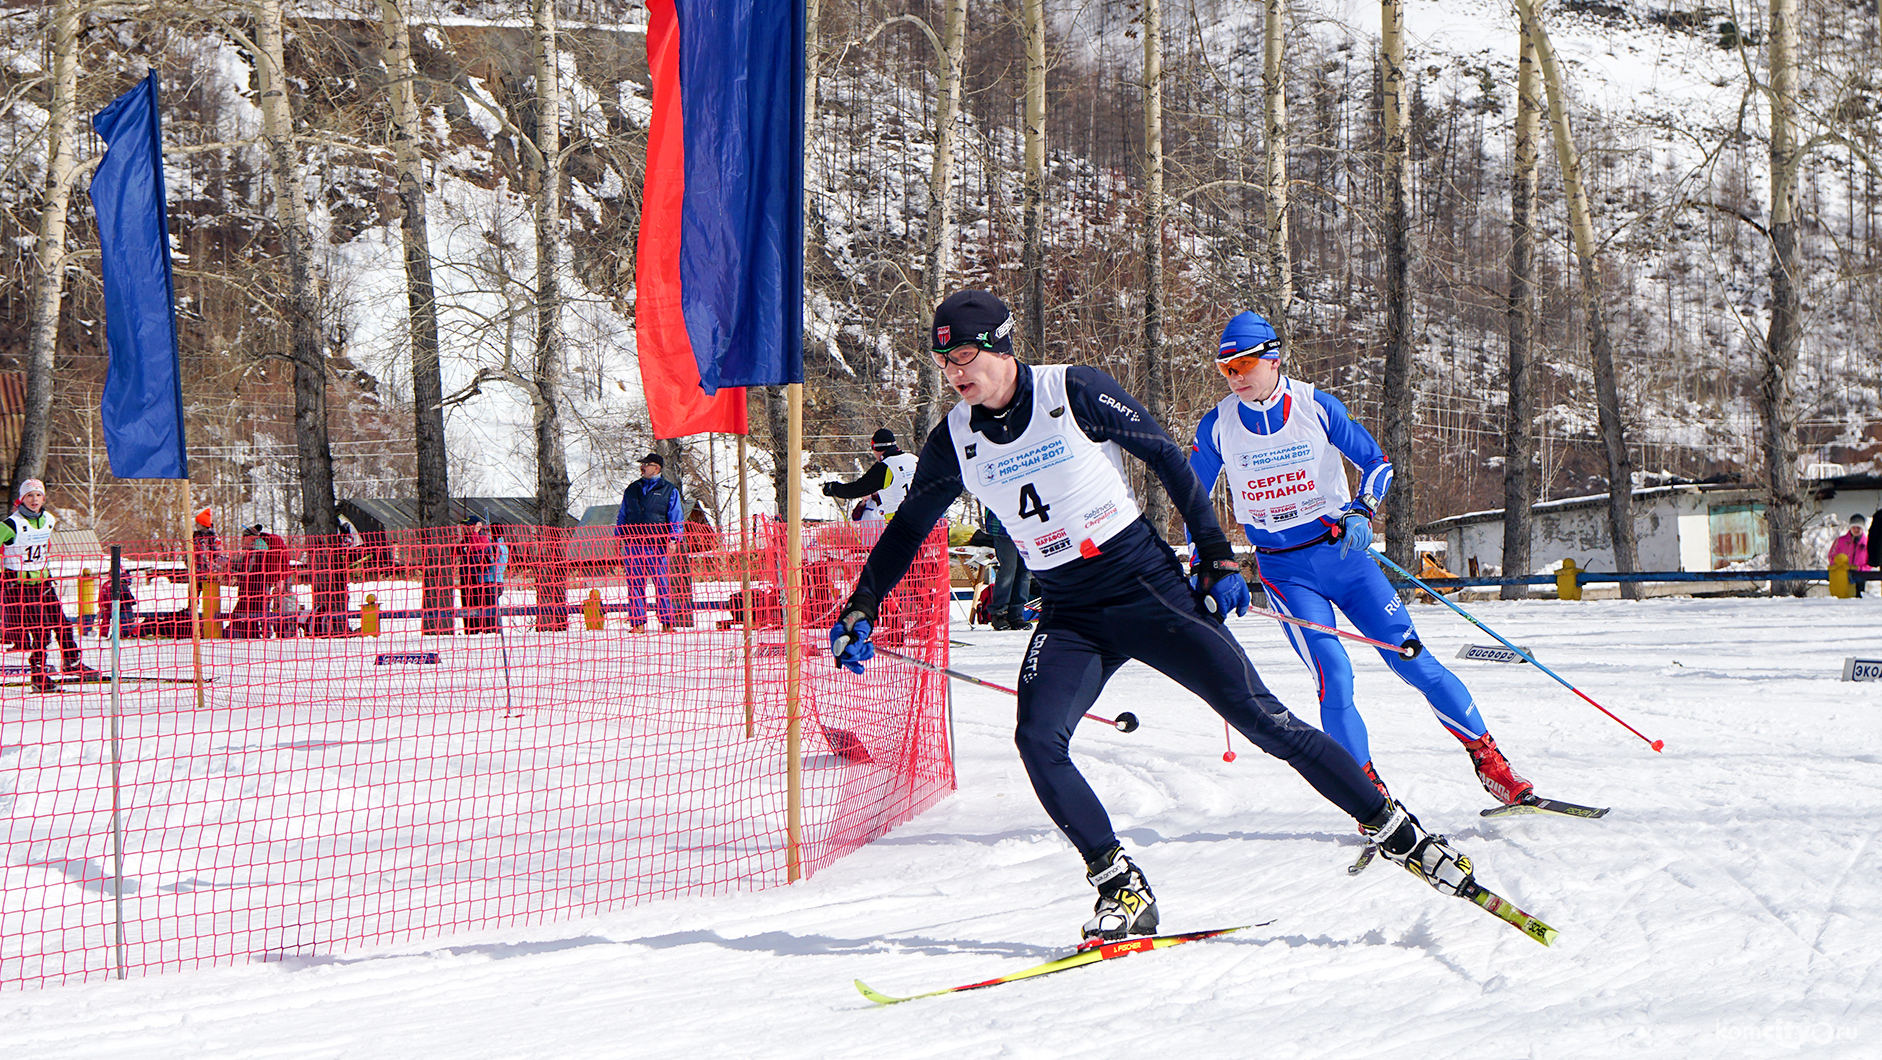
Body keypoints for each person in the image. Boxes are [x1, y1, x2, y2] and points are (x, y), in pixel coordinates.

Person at [828, 289, 1477, 943]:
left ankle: (1398, 831)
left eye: (965, 354)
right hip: (1069, 610)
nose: (956, 372)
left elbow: (1167, 456)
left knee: (1263, 719)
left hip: (1145, 586)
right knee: (1038, 739)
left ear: (1000, 345)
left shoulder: (1071, 391)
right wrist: (862, 605)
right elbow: (912, 522)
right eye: (944, 364)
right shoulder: (955, 438)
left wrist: (1217, 557)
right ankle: (1121, 886)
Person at [1188, 310, 1538, 805]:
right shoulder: (1218, 425)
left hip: (1344, 557)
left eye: (1243, 364)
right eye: (1226, 369)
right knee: (1334, 676)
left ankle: (1490, 762)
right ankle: (1367, 796)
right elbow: (1192, 498)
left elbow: (1378, 463)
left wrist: (1363, 510)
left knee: (1414, 660)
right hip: (1285, 571)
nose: (1236, 377)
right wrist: (1211, 564)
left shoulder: (1316, 406)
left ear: (1274, 358)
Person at [0, 480, 99, 690]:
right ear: (22, 498)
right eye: (29, 496)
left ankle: (72, 662)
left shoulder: (49, 520)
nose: (34, 500)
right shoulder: (10, 525)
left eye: (38, 495)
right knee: (41, 632)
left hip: (44, 581)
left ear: (43, 498)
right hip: (19, 585)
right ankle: (39, 676)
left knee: (62, 623)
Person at [615, 452, 682, 632]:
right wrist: (617, 538)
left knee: (662, 583)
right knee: (635, 583)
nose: (642, 467)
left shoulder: (669, 490)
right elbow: (623, 514)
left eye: (646, 464)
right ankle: (637, 624)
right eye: (642, 464)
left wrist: (674, 538)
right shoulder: (631, 489)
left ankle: (667, 622)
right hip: (633, 543)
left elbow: (675, 517)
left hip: (657, 544)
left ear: (656, 468)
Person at [821, 429, 920, 521]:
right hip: (928, 519)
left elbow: (857, 489)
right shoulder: (914, 459)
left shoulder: (886, 466)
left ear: (875, 448)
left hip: (901, 522)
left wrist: (834, 488)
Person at [231, 524, 292, 638]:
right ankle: (264, 632)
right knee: (261, 609)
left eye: (243, 538)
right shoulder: (260, 547)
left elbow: (249, 568)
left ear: (249, 537)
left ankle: (268, 633)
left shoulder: (259, 549)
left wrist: (280, 580)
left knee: (261, 610)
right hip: (262, 585)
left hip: (262, 585)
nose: (241, 541)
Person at [982, 508, 1035, 630]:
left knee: (1024, 571)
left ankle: (1016, 614)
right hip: (1003, 526)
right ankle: (999, 613)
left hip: (1027, 526)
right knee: (1008, 569)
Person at [458, 516, 502, 632]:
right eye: (466, 526)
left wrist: (475, 533)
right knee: (467, 605)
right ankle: (469, 630)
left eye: (470, 525)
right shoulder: (466, 540)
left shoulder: (482, 538)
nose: (467, 528)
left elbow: (476, 548)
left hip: (477, 578)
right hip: (465, 577)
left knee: (480, 606)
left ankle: (484, 631)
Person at [1828, 514, 1871, 597]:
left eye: (1858, 527)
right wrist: (1839, 567)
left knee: (1859, 597)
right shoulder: (1840, 541)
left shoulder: (1867, 543)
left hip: (1860, 575)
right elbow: (1832, 557)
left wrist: (1861, 569)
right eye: (1853, 527)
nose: (1856, 530)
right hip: (1842, 575)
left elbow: (1871, 561)